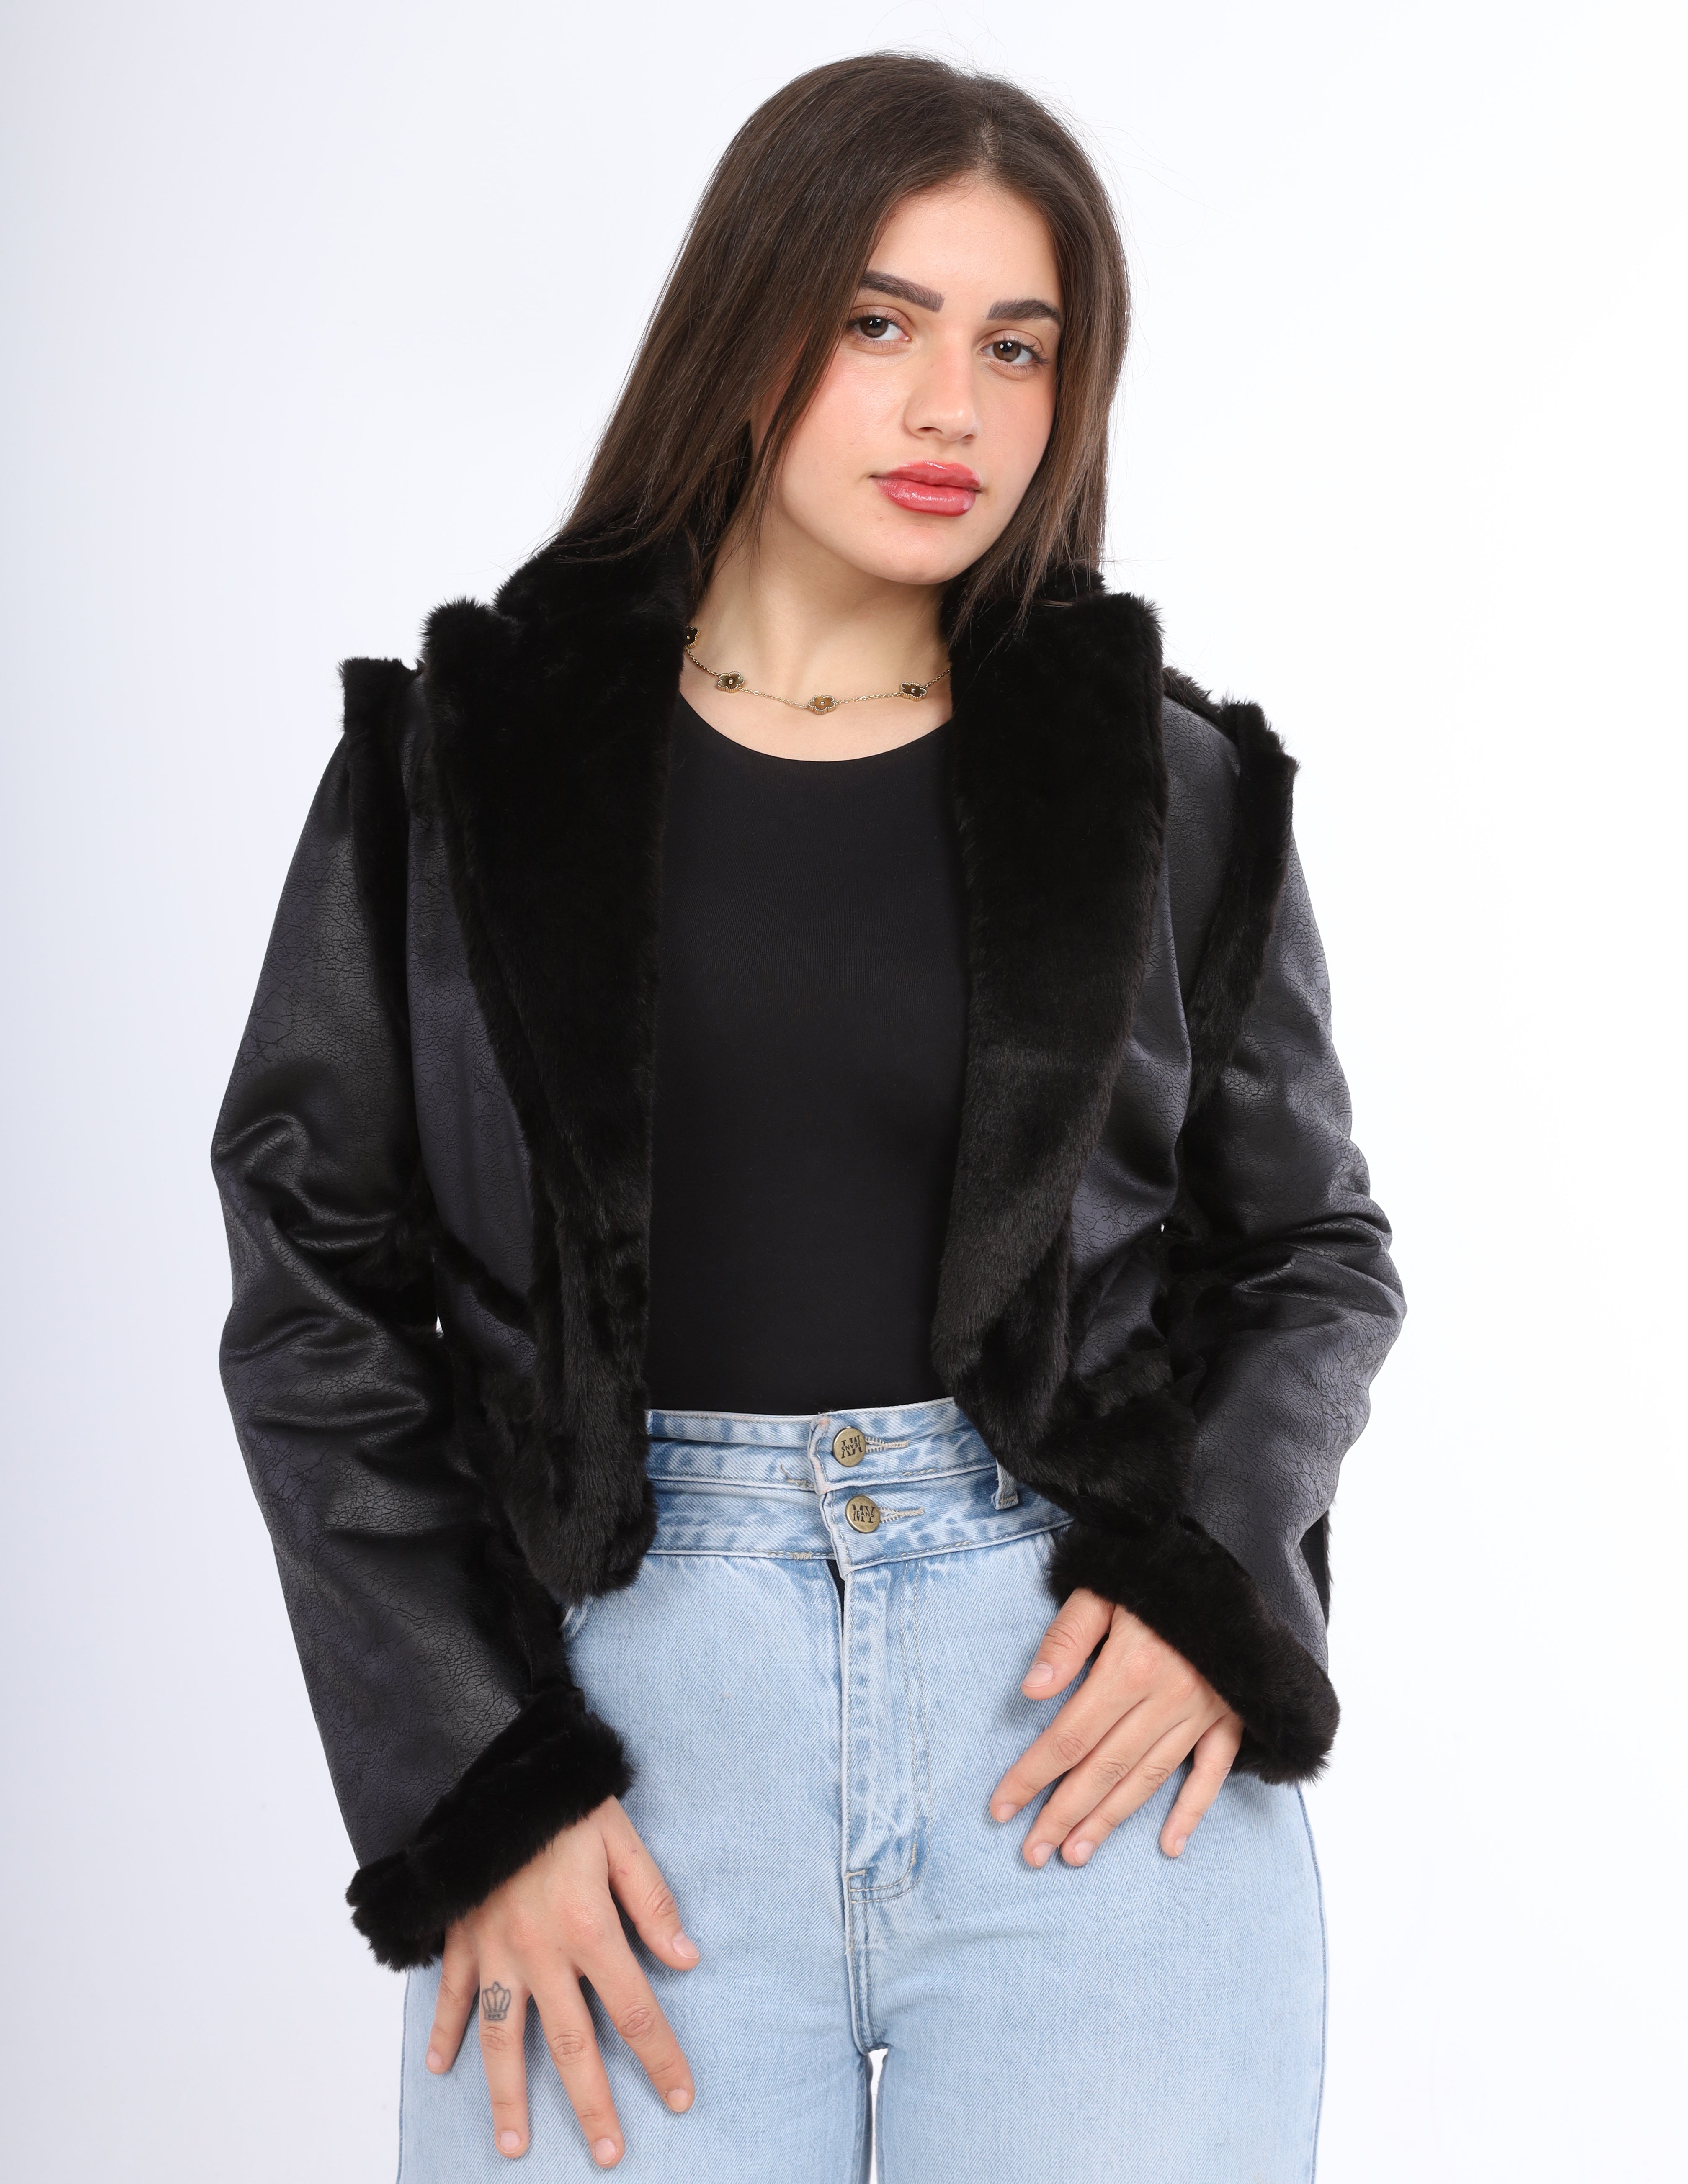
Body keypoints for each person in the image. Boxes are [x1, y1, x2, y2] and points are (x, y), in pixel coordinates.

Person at [213, 51, 1404, 2184]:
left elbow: (1310, 1253)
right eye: (881, 322)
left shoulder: (1165, 789)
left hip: (1079, 1739)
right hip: (616, 1745)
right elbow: (316, 1291)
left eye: (1018, 346)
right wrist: (473, 1778)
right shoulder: (464, 770)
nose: (957, 408)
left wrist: (1215, 1586)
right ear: (747, 329)